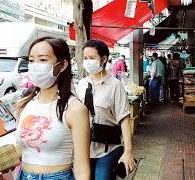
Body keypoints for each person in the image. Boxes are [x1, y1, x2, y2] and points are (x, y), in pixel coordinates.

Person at [15, 37, 91, 180]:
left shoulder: (75, 109)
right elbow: (21, 149)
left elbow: (82, 169)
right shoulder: (24, 104)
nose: (35, 66)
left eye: (43, 60)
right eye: (31, 60)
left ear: (62, 65)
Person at [76, 40, 136, 180]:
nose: (87, 61)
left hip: (107, 149)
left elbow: (124, 119)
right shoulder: (82, 84)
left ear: (103, 59)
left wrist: (128, 151)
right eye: (85, 58)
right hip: (84, 148)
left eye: (92, 58)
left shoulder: (115, 86)